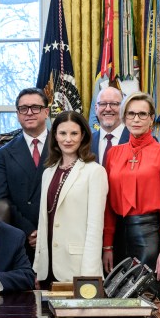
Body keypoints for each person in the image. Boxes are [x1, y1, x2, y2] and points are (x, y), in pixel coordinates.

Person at [101, 92, 160, 301]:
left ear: (151, 118)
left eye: (142, 114)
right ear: (124, 117)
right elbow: (108, 205)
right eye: (131, 114)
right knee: (118, 298)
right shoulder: (113, 153)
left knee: (149, 300)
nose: (136, 119)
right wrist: (107, 245)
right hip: (119, 235)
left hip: (150, 236)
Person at [33, 110, 108, 287]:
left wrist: (89, 275)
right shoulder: (48, 172)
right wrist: (38, 267)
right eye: (62, 133)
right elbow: (43, 223)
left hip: (78, 268)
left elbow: (95, 227)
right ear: (55, 137)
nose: (68, 139)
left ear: (83, 136)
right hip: (48, 266)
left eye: (74, 133)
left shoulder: (94, 171)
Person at [0, 88, 51, 258]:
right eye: (23, 109)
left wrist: (47, 231)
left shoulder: (62, 147)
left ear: (46, 112)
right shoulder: (3, 153)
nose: (29, 113)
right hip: (20, 236)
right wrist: (30, 230)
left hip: (57, 234)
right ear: (18, 114)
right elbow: (1, 198)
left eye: (35, 107)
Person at [93, 85, 129, 166]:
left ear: (123, 108)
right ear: (96, 109)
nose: (108, 109)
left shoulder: (135, 139)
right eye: (102, 104)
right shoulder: (86, 142)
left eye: (114, 104)